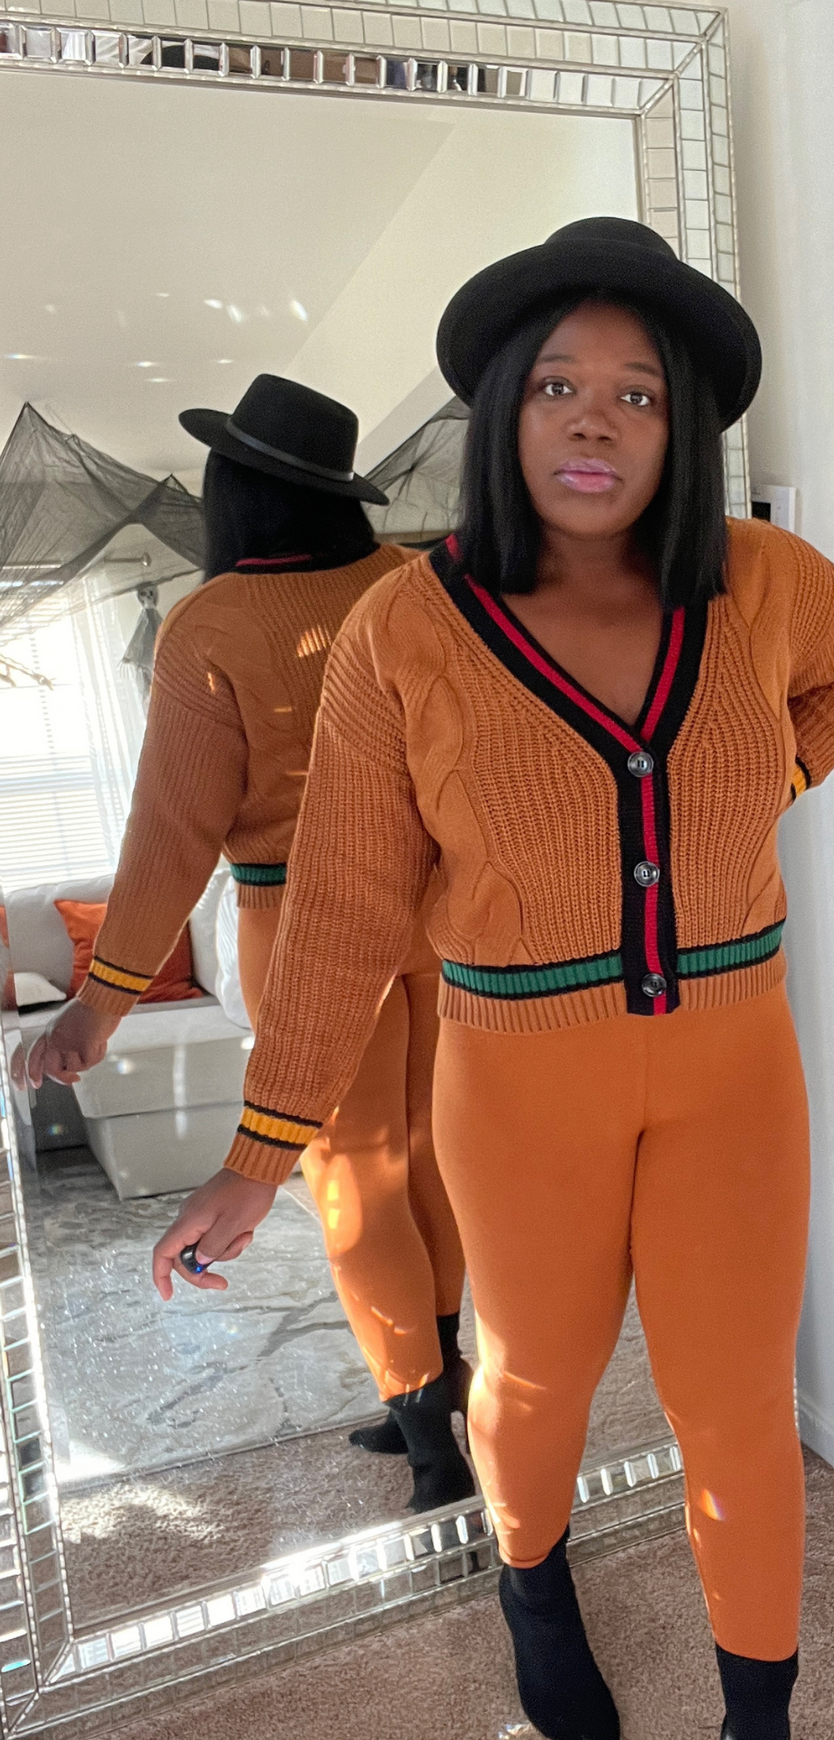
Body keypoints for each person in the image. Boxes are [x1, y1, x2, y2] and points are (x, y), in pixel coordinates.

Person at [154, 221, 834, 1740]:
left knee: (736, 1406)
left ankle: (757, 1728)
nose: (594, 420)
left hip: (734, 1071)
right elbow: (344, 909)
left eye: (639, 392)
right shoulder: (406, 629)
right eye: (558, 384)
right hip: (515, 1080)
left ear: (682, 428)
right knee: (537, 1380)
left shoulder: (764, 583)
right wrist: (258, 1154)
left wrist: (765, 778)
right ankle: (532, 1584)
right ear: (502, 409)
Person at [18, 374, 473, 1514]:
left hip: (305, 931)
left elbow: (172, 834)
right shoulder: (417, 586)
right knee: (430, 1165)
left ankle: (429, 1435)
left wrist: (101, 1001)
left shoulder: (211, 623)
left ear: (232, 490)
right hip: (442, 918)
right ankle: (441, 1388)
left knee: (357, 1185)